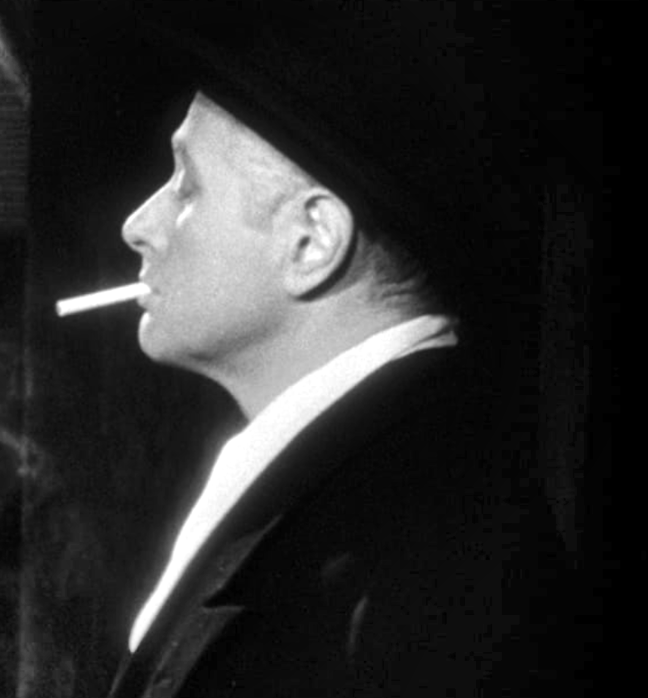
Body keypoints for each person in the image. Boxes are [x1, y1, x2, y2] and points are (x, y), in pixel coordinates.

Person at [105, 4, 583, 696]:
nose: (137, 225)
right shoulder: (378, 491)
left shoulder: (406, 564)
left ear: (311, 242)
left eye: (187, 186)